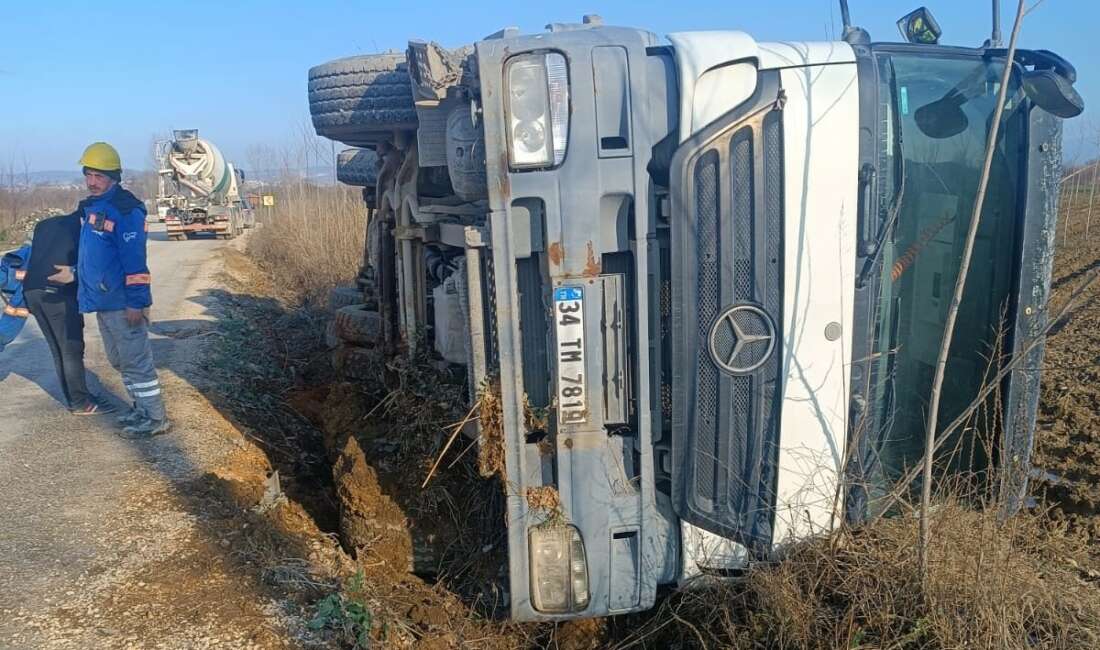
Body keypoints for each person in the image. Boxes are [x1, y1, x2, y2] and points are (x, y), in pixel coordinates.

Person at [75, 142, 170, 438]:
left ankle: (156, 418)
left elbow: (135, 262)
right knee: (119, 360)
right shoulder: (94, 208)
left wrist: (137, 303)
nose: (92, 182)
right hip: (103, 301)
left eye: (99, 176)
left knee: (136, 361)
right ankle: (141, 408)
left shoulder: (124, 210)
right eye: (88, 175)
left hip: (123, 303)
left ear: (114, 177)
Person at [21, 207, 115, 414]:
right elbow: (91, 260)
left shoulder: (43, 224)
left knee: (58, 349)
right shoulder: (86, 228)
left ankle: (77, 398)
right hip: (56, 291)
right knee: (71, 349)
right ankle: (81, 403)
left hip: (31, 290)